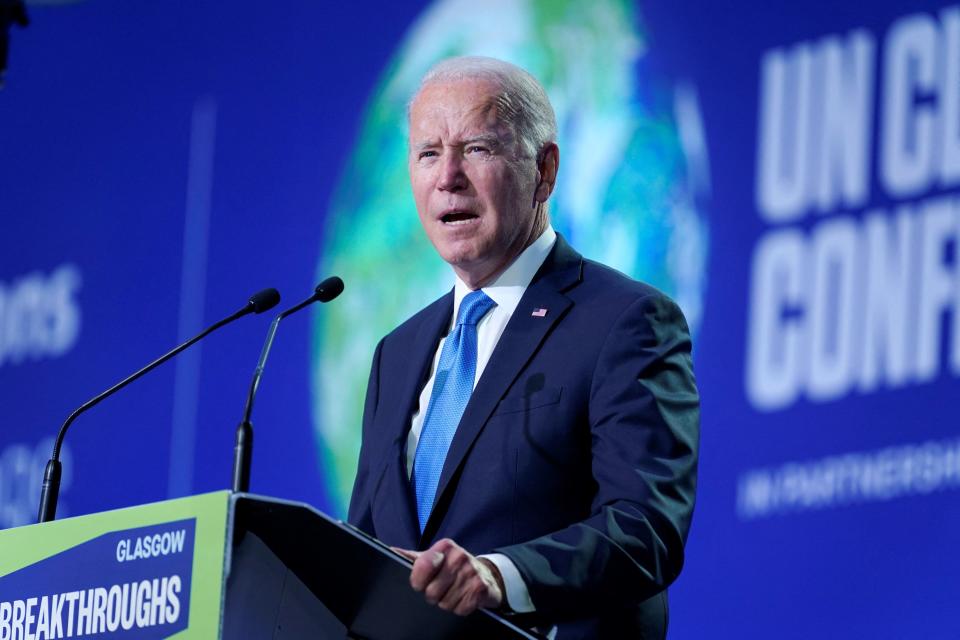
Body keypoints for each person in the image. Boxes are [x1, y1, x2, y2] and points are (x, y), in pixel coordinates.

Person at [348, 56, 699, 639]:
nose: (448, 177)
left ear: (544, 170)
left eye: (478, 149)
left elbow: (647, 528)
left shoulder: (625, 320)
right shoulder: (397, 354)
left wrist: (497, 576)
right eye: (428, 153)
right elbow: (363, 553)